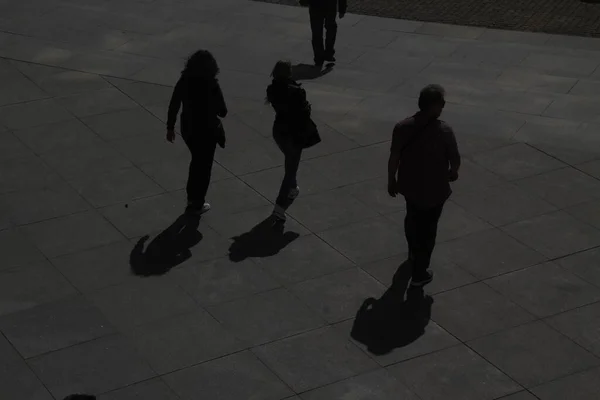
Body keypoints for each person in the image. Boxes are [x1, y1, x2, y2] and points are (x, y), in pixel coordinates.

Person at [387, 84, 461, 287]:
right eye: (442, 104)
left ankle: (412, 251)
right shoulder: (444, 130)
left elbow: (394, 156)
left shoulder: (402, 127)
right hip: (435, 188)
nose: (444, 107)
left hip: (410, 186)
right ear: (434, 106)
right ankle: (420, 272)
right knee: (429, 229)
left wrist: (391, 179)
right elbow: (454, 158)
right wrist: (453, 172)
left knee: (412, 218)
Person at [167, 49, 227, 215]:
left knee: (196, 161)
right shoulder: (212, 84)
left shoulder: (184, 80)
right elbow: (223, 111)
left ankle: (191, 198)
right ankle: (197, 202)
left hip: (188, 128)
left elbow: (174, 104)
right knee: (204, 166)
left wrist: (170, 127)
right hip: (207, 130)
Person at [266, 60, 318, 224]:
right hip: (294, 133)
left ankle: (293, 188)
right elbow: (303, 112)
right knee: (290, 168)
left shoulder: (272, 88)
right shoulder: (296, 91)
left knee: (290, 160)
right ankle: (279, 208)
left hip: (279, 131)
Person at [299, 0, 347, 67]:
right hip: (330, 5)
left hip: (315, 5)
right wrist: (342, 9)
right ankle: (328, 53)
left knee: (317, 32)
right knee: (330, 29)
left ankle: (319, 57)